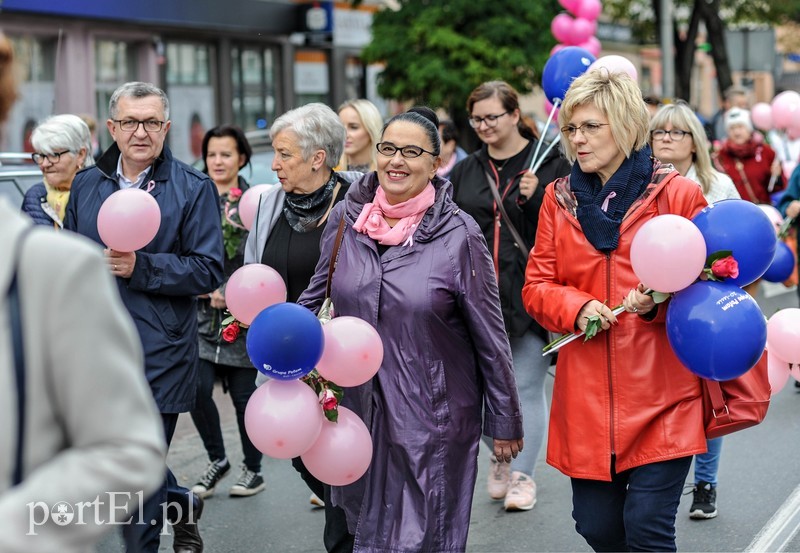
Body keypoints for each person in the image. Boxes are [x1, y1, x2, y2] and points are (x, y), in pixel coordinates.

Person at [297, 106, 524, 552]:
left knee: (421, 538)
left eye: (411, 151)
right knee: (354, 532)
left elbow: (490, 336)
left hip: (431, 418)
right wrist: (281, 342)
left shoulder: (460, 234)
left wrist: (504, 418)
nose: (396, 160)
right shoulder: (347, 217)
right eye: (388, 148)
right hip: (355, 412)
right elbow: (314, 295)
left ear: (435, 163)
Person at [522, 70, 709, 552]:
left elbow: (710, 288)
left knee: (647, 528)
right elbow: (537, 286)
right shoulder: (557, 198)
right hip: (586, 398)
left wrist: (658, 303)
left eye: (590, 127)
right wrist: (578, 304)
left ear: (625, 124)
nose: (577, 139)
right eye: (571, 129)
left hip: (664, 393)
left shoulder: (677, 195)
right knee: (598, 528)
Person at [0, 32, 165, 553]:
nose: (48, 165)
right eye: (40, 156)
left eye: (151, 121)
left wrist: (14, 530)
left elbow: (126, 451)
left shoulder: (50, 268)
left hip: (158, 341)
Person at [64, 81, 225, 553]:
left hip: (160, 349)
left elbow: (208, 268)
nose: (141, 132)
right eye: (130, 122)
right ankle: (181, 501)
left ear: (166, 127)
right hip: (97, 349)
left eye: (152, 122)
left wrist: (144, 266)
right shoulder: (86, 183)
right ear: (112, 127)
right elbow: (73, 255)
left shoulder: (192, 188)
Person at [243, 103, 362, 552]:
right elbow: (253, 271)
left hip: (343, 359)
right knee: (302, 455)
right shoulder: (270, 203)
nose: (274, 164)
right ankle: (353, 519)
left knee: (343, 457)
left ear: (318, 158)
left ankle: (353, 534)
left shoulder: (359, 201)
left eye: (284, 154)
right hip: (285, 363)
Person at [449, 80, 570, 511]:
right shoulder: (465, 171)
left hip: (531, 292)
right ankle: (501, 452)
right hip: (474, 295)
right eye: (476, 119)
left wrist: (537, 198)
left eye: (492, 117)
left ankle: (523, 476)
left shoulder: (552, 162)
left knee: (522, 385)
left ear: (515, 115)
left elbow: (570, 230)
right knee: (472, 391)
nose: (483, 126)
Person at [650, 100, 741, 520]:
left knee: (709, 393)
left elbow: (738, 247)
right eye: (659, 132)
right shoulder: (641, 186)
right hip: (652, 305)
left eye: (676, 132)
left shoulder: (717, 185)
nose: (665, 138)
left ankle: (706, 482)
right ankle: (662, 477)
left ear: (694, 142)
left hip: (704, 305)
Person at [189, 125, 264, 500]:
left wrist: (232, 291)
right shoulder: (194, 197)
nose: (217, 161)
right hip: (200, 314)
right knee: (196, 390)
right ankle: (217, 459)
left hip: (242, 316)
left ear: (241, 159)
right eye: (211, 154)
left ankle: (254, 468)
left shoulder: (255, 203)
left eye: (225, 154)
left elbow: (261, 258)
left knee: (243, 399)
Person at [21, 114, 95, 229]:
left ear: (80, 154)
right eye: (41, 155)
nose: (44, 164)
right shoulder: (35, 196)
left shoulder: (99, 195)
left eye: (54, 155)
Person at [713, 107, 783, 205]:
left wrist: (777, 177)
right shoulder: (720, 157)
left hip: (764, 210)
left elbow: (777, 190)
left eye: (741, 127)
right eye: (732, 128)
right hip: (737, 212)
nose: (737, 132)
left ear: (749, 128)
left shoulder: (765, 151)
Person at [337, 99, 382, 173]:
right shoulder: (329, 172)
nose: (344, 134)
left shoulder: (385, 173)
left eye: (353, 127)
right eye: (340, 127)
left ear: (371, 130)